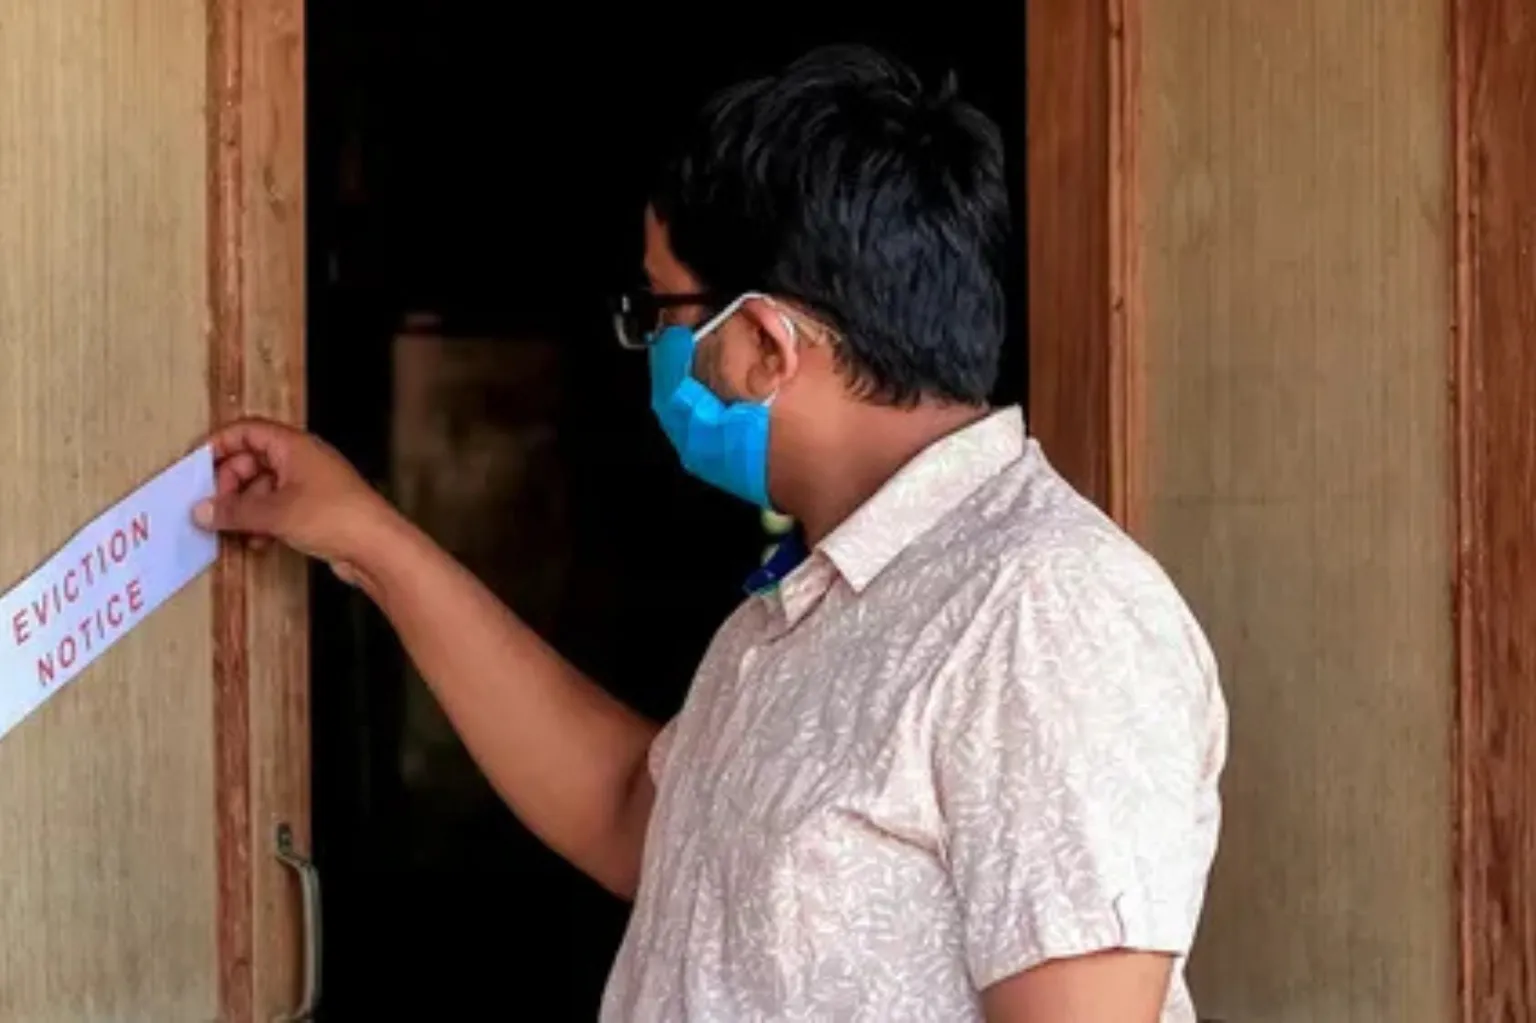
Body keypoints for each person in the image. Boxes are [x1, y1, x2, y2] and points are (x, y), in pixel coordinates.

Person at [193, 44, 1226, 1023]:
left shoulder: (1039, 614)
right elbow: (632, 815)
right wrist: (366, 534)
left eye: (665, 311)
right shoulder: (815, 603)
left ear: (767, 344)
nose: (655, 346)